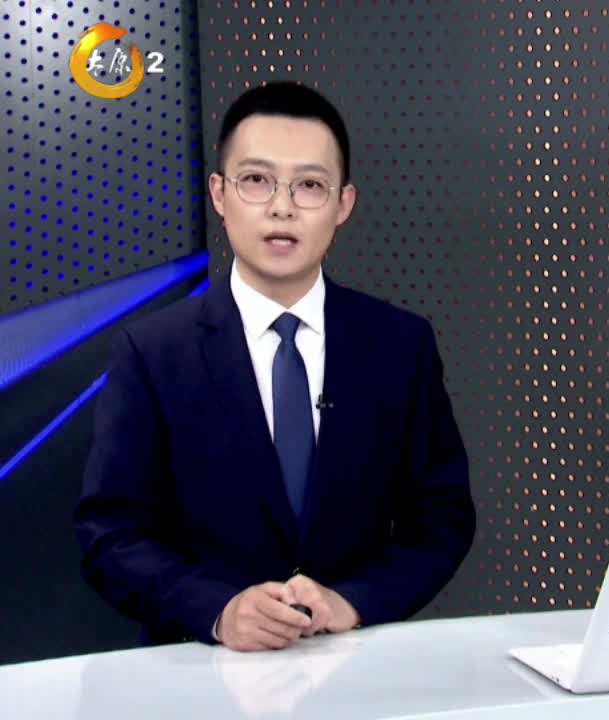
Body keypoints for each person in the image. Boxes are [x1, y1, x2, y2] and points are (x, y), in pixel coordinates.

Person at [74, 81, 475, 652]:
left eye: (309, 185)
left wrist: (354, 601)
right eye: (257, 181)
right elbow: (110, 535)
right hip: (196, 669)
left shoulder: (400, 345)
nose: (282, 207)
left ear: (343, 204)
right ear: (219, 193)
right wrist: (218, 611)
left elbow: (442, 518)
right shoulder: (153, 352)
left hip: (355, 665)